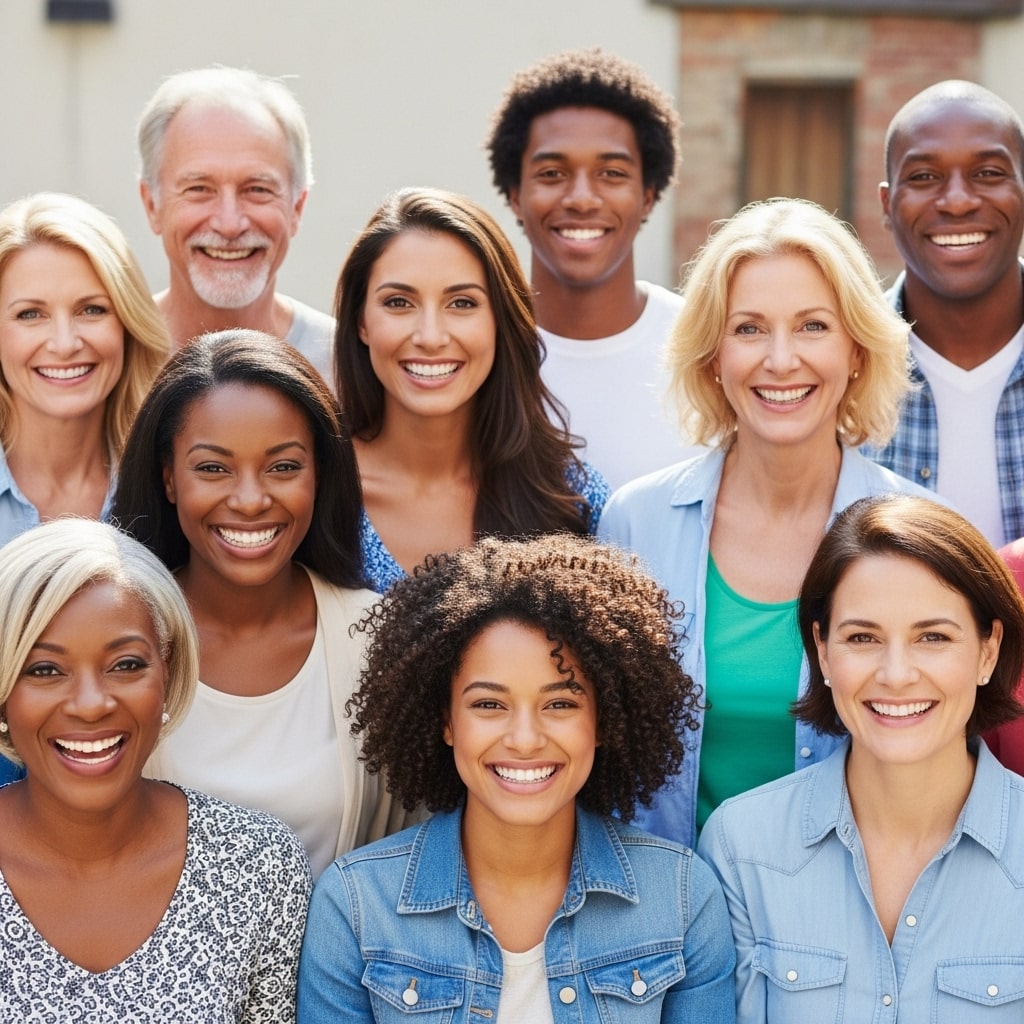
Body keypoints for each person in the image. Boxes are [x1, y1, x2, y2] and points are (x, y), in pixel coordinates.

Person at [599, 197, 940, 849]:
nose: (781, 360)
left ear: (857, 350)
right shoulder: (634, 524)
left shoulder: (924, 533)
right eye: (749, 328)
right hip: (666, 904)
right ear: (713, 354)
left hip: (851, 904)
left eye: (813, 326)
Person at [297, 534, 736, 1023]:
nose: (525, 740)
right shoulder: (356, 905)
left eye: (560, 704)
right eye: (489, 704)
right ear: (446, 721)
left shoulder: (681, 896)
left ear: (604, 721)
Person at [698, 494, 1024, 1022]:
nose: (896, 675)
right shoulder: (741, 848)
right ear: (823, 650)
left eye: (933, 637)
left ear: (988, 651)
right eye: (863, 637)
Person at [112, 330, 400, 876]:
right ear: (169, 478)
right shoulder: (115, 636)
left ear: (320, 475)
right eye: (213, 468)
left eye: (283, 467)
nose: (249, 500)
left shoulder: (377, 641)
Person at [0, 518, 310, 1020]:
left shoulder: (259, 866)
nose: (91, 705)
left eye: (125, 665)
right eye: (45, 670)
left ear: (168, 671)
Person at [333, 187, 609, 594]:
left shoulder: (572, 498)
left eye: (462, 303)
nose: (430, 337)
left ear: (501, 321)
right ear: (361, 322)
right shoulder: (317, 493)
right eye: (399, 302)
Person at [486, 48, 703, 489]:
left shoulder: (703, 346)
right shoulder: (473, 347)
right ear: (515, 195)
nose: (582, 199)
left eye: (611, 173)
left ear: (648, 195)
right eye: (552, 173)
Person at [867, 80, 1024, 546]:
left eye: (988, 173)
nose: (957, 201)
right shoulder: (839, 371)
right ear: (887, 205)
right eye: (923, 177)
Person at [137, 66, 333, 379]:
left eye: (257, 190)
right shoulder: (108, 364)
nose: (229, 225)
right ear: (152, 205)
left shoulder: (348, 369)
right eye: (199, 189)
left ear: (297, 207)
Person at [0, 191, 168, 546]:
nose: (65, 344)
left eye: (92, 310)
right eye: (30, 314)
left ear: (127, 324)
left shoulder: (171, 490)